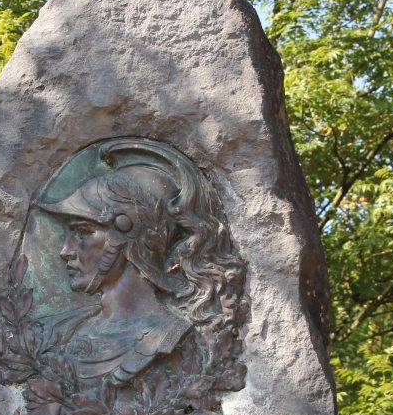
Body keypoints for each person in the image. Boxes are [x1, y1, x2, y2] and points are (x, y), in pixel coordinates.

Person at [35, 138, 247, 387]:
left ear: (129, 233)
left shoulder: (170, 337)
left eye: (83, 232)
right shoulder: (68, 330)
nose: (65, 251)